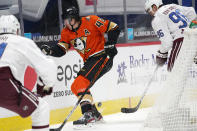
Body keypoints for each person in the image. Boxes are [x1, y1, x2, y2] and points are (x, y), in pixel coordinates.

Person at [41, 6, 120, 125]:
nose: (66, 23)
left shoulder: (91, 20)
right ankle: (95, 115)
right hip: (90, 61)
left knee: (79, 83)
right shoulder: (66, 32)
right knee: (76, 87)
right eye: (65, 20)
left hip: (102, 57)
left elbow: (114, 28)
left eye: (68, 20)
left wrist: (110, 44)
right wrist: (50, 51)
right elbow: (62, 49)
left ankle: (88, 115)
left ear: (75, 18)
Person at [0, 15, 57, 131]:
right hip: (4, 83)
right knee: (41, 109)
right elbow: (47, 66)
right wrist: (46, 86)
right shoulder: (21, 42)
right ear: (17, 30)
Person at [145, 0, 197, 71]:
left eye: (149, 10)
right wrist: (189, 28)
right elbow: (192, 12)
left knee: (172, 70)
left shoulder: (157, 19)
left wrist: (161, 54)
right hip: (194, 36)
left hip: (181, 40)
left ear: (154, 7)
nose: (149, 13)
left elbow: (167, 43)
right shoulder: (172, 6)